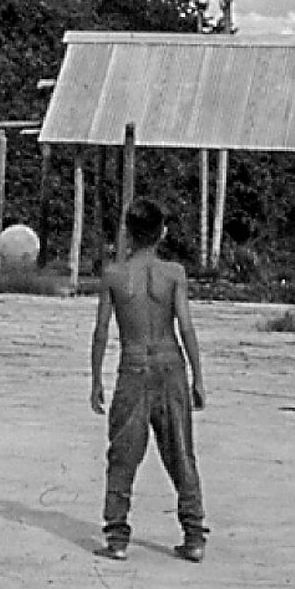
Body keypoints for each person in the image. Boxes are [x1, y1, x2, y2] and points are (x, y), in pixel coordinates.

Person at [90, 198, 208, 562]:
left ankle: (117, 536)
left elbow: (101, 331)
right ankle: (194, 536)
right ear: (163, 233)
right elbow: (185, 327)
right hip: (171, 365)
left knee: (123, 453)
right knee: (181, 453)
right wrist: (199, 377)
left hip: (135, 366)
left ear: (127, 232)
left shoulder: (114, 274)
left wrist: (96, 379)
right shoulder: (174, 274)